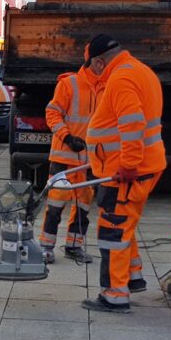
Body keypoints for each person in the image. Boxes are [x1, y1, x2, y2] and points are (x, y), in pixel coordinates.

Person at [81, 34, 166, 313]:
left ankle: (114, 295)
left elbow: (132, 123)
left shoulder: (120, 78)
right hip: (137, 166)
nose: (95, 74)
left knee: (112, 231)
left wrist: (128, 165)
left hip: (125, 171)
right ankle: (132, 276)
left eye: (93, 67)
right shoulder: (142, 71)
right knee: (125, 224)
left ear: (99, 61)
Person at [38, 57, 104, 263]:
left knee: (83, 207)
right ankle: (46, 247)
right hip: (64, 158)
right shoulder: (68, 84)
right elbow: (52, 113)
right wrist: (67, 137)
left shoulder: (107, 87)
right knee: (55, 205)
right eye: (104, 62)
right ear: (95, 61)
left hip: (89, 161)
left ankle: (74, 246)